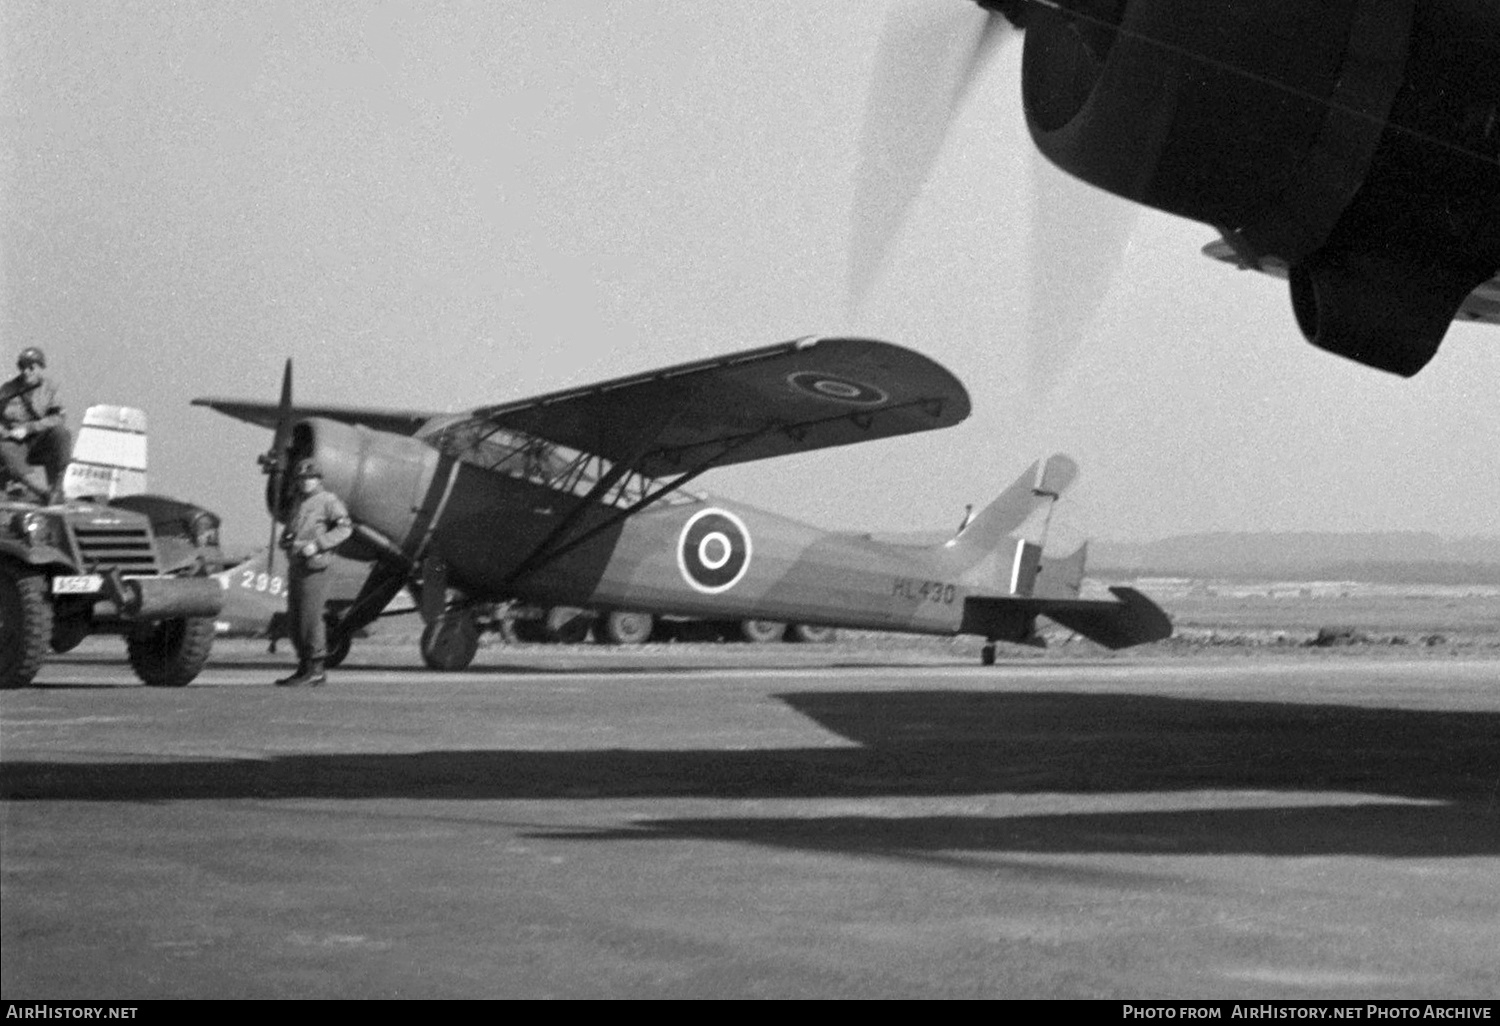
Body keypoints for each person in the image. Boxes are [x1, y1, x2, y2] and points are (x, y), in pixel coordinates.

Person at [276, 458, 353, 687]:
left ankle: (316, 669)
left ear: (319, 479)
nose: (305, 482)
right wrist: (286, 540)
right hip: (297, 565)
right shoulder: (299, 502)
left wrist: (319, 545)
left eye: (310, 478)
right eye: (302, 478)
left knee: (310, 618)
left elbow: (345, 528)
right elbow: (291, 530)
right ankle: (304, 667)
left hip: (316, 567)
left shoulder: (328, 501)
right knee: (295, 620)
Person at [0, 347, 72, 504]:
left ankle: (56, 489)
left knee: (62, 434)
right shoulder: (6, 390)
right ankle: (43, 493)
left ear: (40, 368)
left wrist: (29, 428)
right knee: (4, 448)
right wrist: (6, 432)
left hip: (40, 441)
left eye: (31, 367)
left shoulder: (50, 389)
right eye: (22, 367)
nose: (27, 371)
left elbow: (58, 417)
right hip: (14, 444)